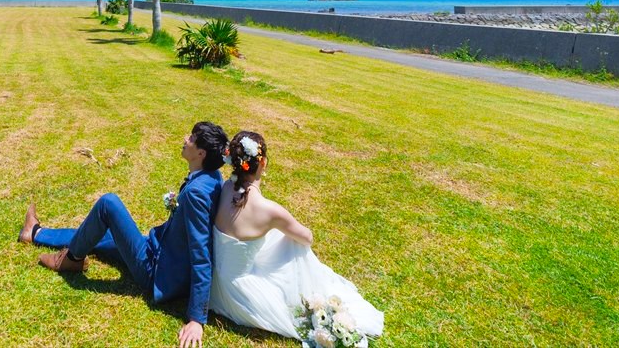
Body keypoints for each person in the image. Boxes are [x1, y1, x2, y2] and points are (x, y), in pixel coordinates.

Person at [19, 121, 228, 348]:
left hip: (153, 269)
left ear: (200, 152)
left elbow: (201, 254)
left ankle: (71, 260)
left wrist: (197, 319)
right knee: (98, 234)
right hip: (157, 248)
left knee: (109, 204)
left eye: (191, 138)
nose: (184, 139)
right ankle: (36, 233)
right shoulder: (213, 177)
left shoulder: (197, 192)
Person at [209, 131, 384, 344]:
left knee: (275, 235)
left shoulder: (226, 187)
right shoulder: (269, 210)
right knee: (294, 241)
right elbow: (307, 238)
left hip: (214, 280)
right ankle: (309, 292)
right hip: (240, 294)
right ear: (262, 163)